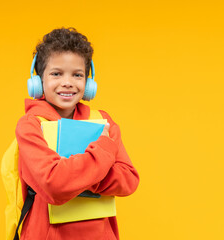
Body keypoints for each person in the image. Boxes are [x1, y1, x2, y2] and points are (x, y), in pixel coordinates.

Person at [15, 27, 139, 239]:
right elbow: (53, 184)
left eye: (77, 75)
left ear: (89, 82)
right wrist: (103, 152)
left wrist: (73, 176)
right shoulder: (30, 125)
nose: (68, 82)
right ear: (38, 81)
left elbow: (129, 179)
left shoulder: (102, 120)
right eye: (56, 73)